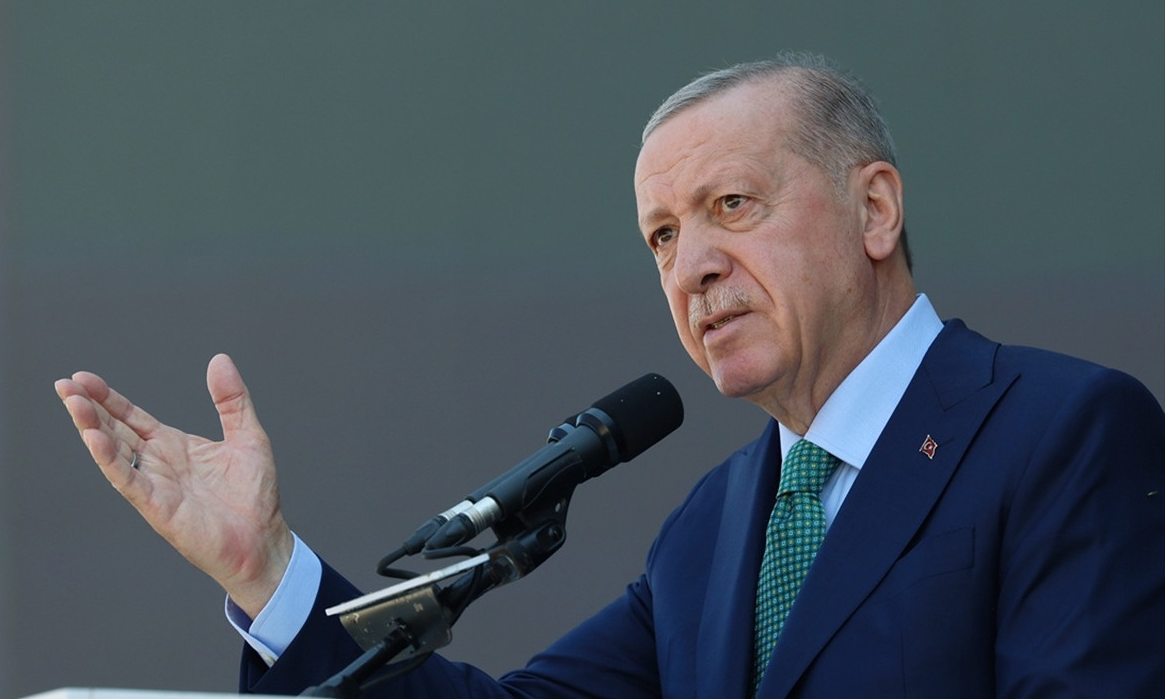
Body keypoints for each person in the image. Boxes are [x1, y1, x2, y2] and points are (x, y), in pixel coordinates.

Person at [56, 53, 1165, 698]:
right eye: (662, 237)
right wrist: (269, 573)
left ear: (874, 210)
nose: (693, 267)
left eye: (732, 206)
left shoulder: (1063, 433)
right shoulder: (710, 530)